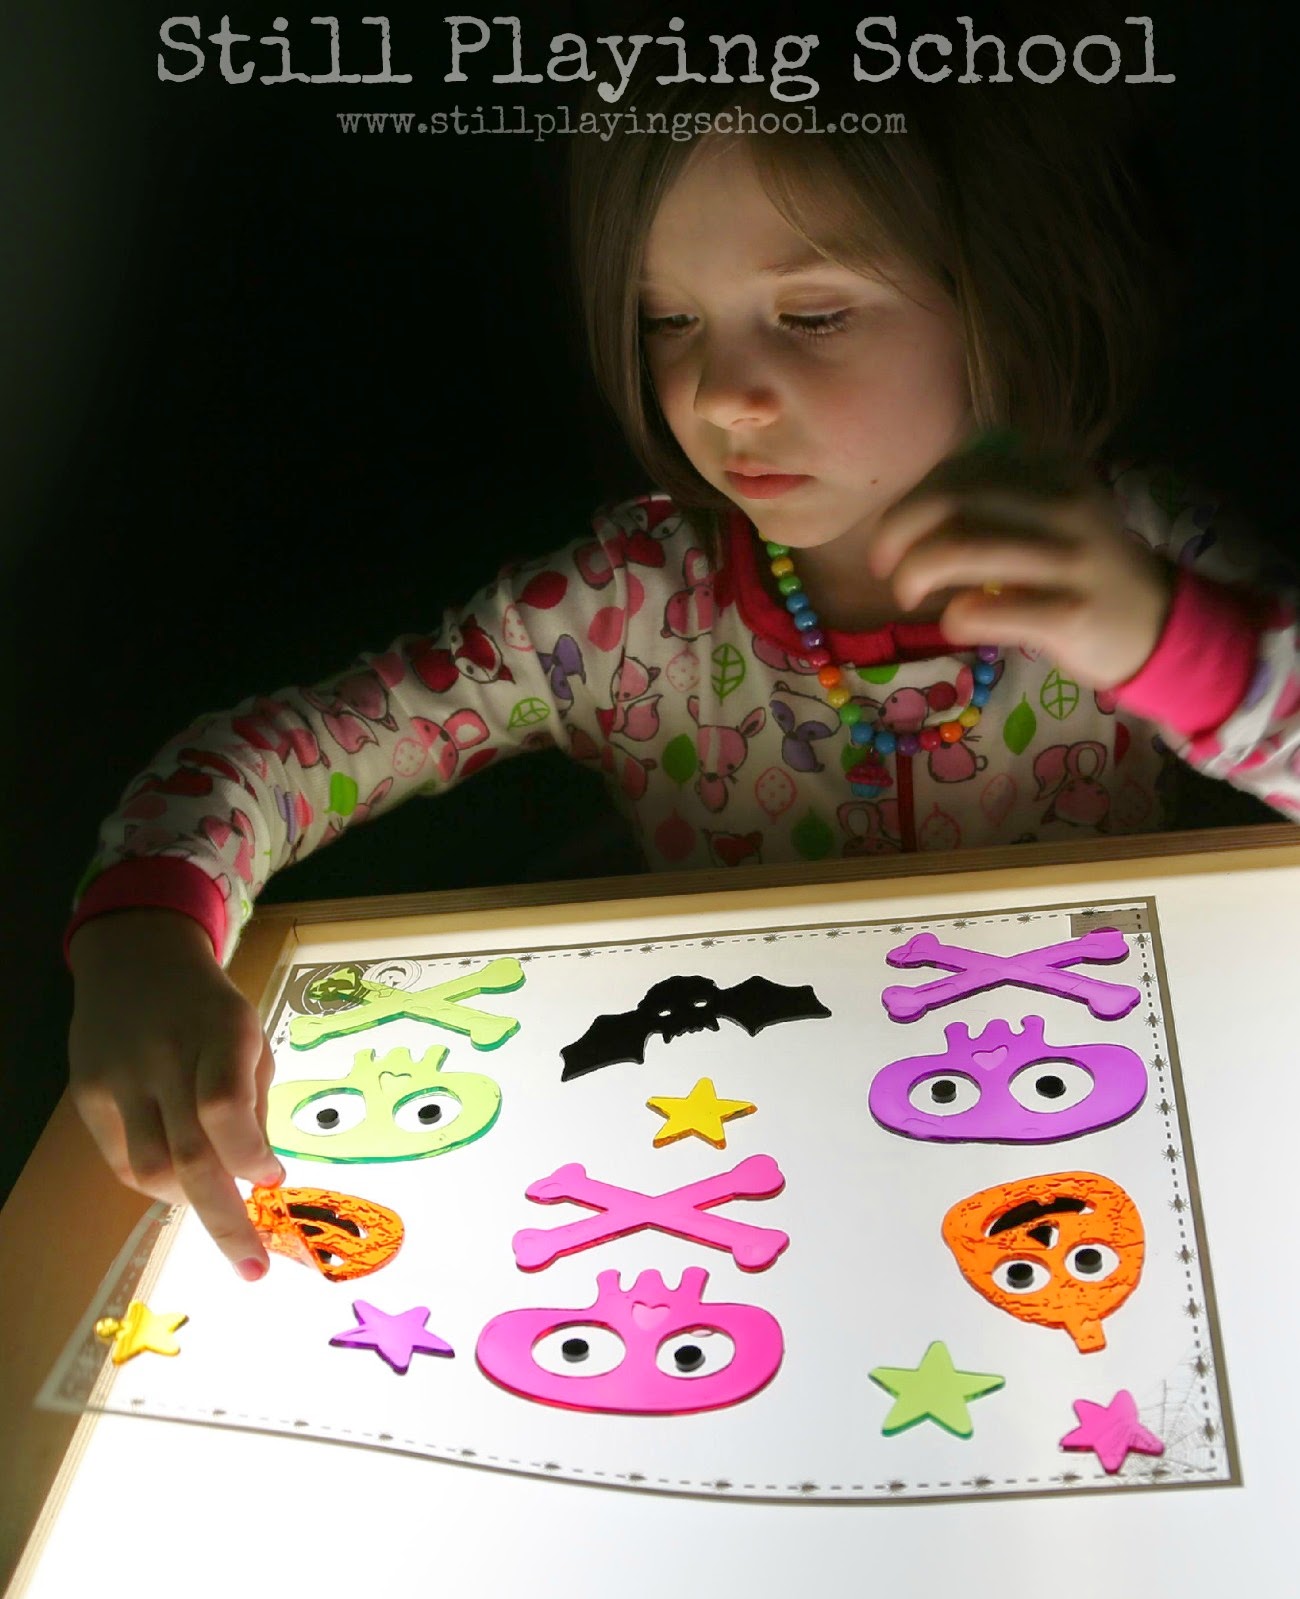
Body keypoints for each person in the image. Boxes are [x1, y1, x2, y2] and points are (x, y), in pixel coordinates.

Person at [64, 34, 1299, 1282]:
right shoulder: (611, 614)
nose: (721, 394)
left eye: (813, 315)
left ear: (1012, 290)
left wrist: (1165, 643)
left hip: (1081, 1162)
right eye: (670, 320)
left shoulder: (1143, 563)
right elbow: (273, 761)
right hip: (730, 1194)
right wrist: (143, 939)